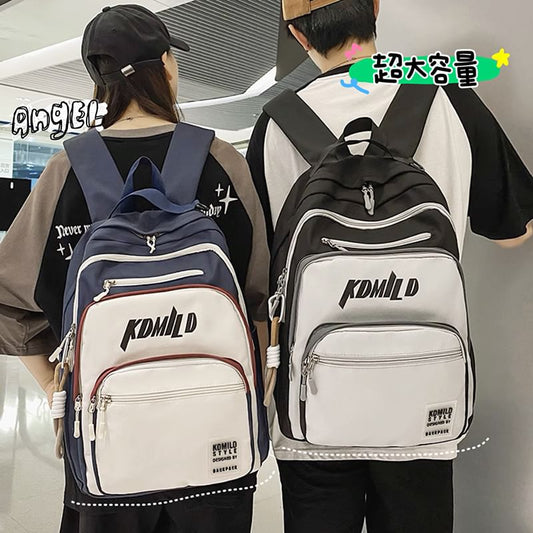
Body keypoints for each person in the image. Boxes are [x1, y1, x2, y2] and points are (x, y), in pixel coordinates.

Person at [246, 0, 533, 532]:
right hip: (422, 395)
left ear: (298, 34)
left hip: (313, 402)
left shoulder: (275, 123)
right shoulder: (448, 98)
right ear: (375, 8)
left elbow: (261, 274)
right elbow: (514, 232)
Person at [0, 5, 269, 533]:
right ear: (166, 66)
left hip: (106, 445)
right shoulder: (221, 159)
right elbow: (259, 298)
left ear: (99, 82)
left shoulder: (66, 170)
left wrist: (57, 386)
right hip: (216, 437)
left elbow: (8, 301)